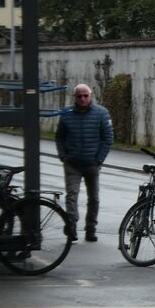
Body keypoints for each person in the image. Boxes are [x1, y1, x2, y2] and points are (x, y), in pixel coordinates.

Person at [56, 84, 114, 242]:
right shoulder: (66, 114)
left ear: (91, 95)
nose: (82, 99)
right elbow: (59, 137)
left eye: (85, 95)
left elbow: (108, 139)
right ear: (74, 97)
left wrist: (98, 159)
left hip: (92, 164)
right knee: (72, 196)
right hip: (72, 163)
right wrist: (63, 155)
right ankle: (71, 227)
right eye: (79, 96)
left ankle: (91, 229)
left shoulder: (101, 113)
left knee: (93, 198)